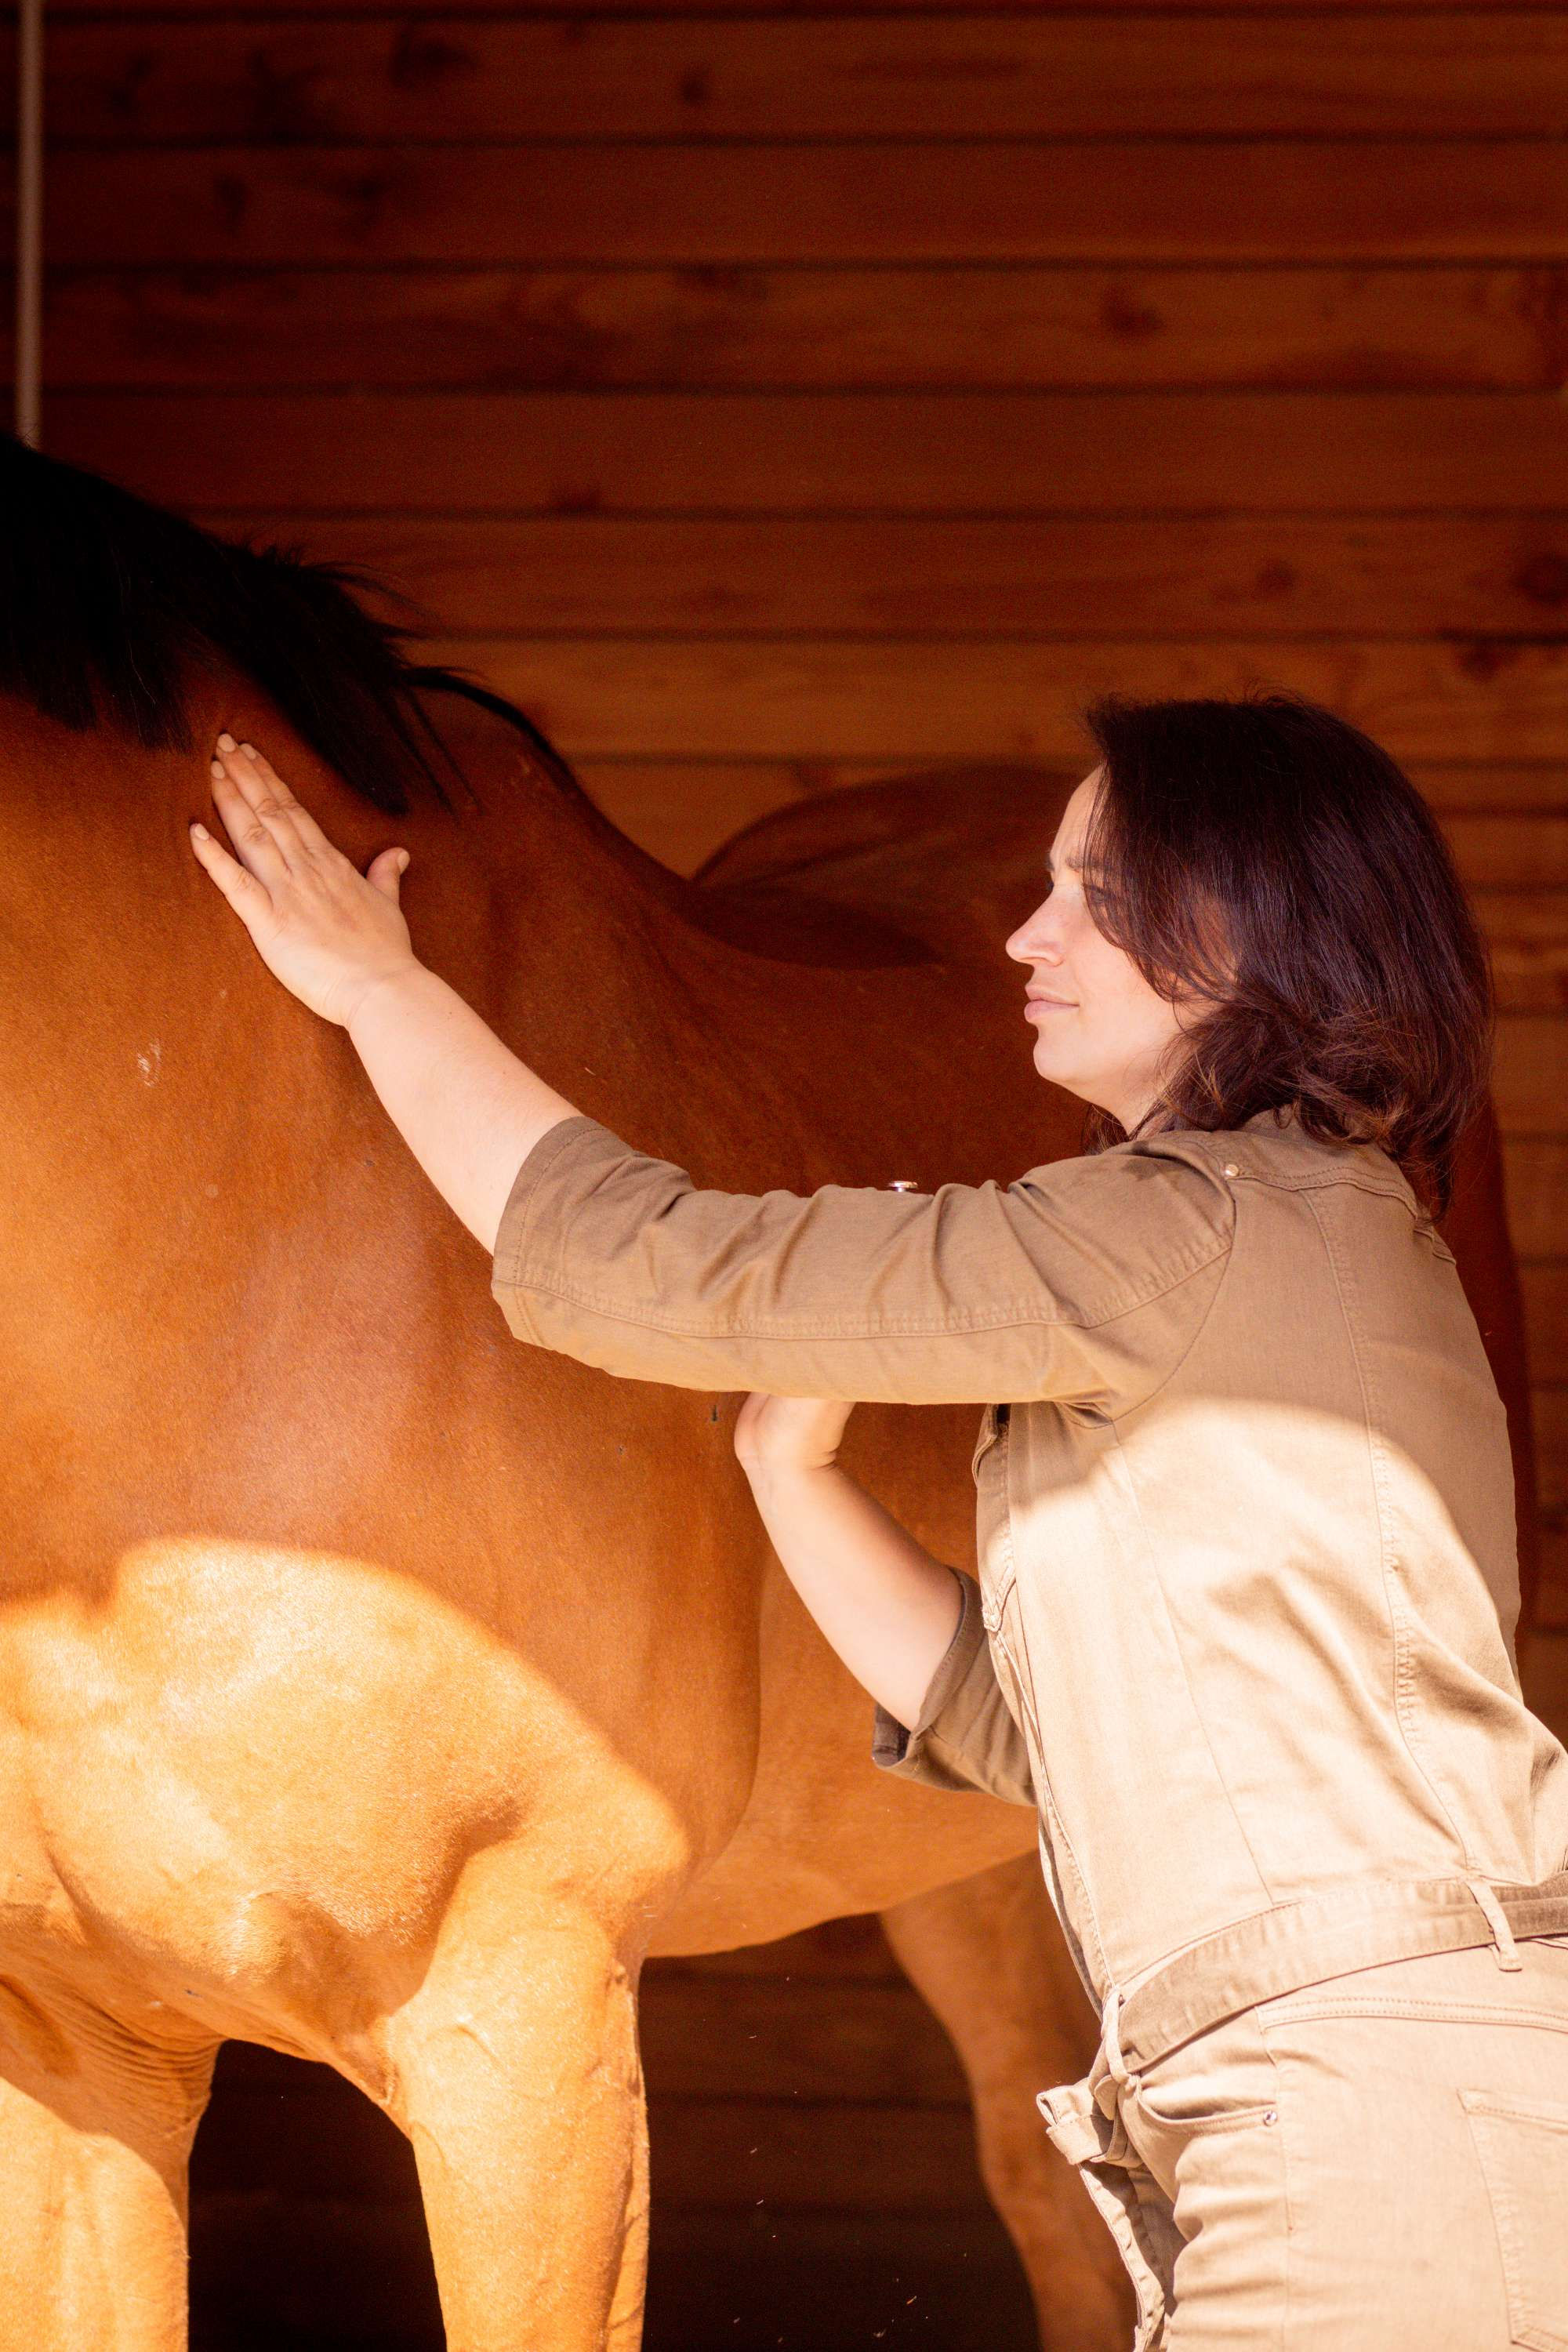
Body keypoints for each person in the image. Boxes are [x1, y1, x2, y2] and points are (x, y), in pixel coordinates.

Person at [191, 691, 1568, 2350]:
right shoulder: (1307, 1234)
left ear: (1236, 932)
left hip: (1363, 2124)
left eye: (1091, 893)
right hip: (1339, 2101)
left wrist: (381, 991)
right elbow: (1029, 1727)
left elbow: (643, 1263)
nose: (1027, 936)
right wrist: (795, 1474)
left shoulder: (1184, 1232)